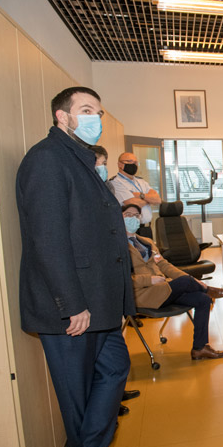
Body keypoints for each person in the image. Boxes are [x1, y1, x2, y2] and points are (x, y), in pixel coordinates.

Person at [16, 86, 149, 447]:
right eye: (86, 110)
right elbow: (48, 240)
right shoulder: (47, 160)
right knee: (77, 395)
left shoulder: (80, 159)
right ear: (63, 116)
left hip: (100, 301)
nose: (95, 118)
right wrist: (71, 304)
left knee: (114, 369)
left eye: (98, 111)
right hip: (72, 306)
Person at [122, 203, 223, 360]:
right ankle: (208, 290)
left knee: (203, 300)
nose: (133, 218)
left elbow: (164, 265)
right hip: (142, 295)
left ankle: (200, 349)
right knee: (186, 282)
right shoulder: (117, 246)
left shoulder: (147, 242)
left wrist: (193, 280)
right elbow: (121, 278)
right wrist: (149, 280)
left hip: (162, 291)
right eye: (128, 215)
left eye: (136, 215)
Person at [91, 144, 139, 414]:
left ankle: (115, 394)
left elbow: (148, 199)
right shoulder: (93, 193)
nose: (102, 168)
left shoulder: (106, 189)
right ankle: (111, 402)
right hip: (97, 285)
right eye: (99, 163)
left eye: (103, 162)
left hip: (112, 280)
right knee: (102, 355)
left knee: (115, 356)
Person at [109, 152, 161, 239]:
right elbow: (133, 204)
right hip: (130, 229)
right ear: (120, 164)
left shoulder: (141, 181)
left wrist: (140, 195)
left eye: (135, 162)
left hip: (146, 229)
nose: (133, 165)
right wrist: (148, 200)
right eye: (129, 161)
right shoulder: (115, 182)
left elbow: (157, 199)